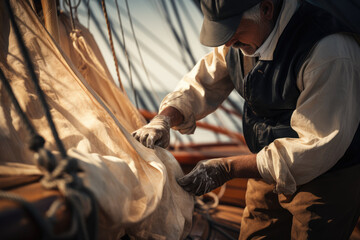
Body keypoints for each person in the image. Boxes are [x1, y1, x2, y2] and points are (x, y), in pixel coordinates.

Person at [132, 0, 360, 239]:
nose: (227, 42)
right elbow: (202, 82)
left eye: (232, 31)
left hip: (326, 179)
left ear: (266, 8)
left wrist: (227, 168)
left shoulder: (329, 51)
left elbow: (316, 146)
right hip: (264, 168)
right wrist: (164, 118)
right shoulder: (240, 40)